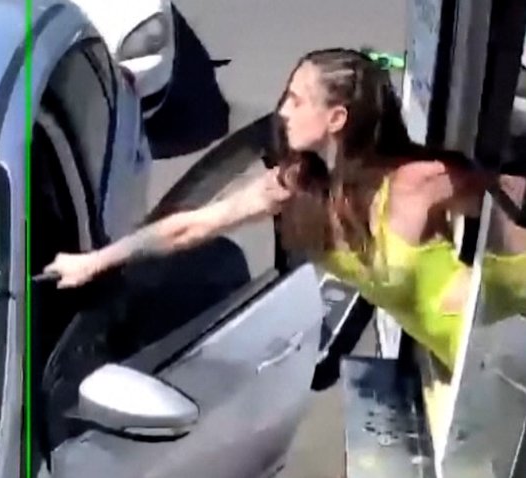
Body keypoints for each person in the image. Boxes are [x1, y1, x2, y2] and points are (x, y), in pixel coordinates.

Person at [42, 47, 491, 371]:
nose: (282, 111)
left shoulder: (417, 182)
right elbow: (194, 226)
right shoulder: (299, 185)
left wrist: (489, 284)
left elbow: (509, 196)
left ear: (336, 119)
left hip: (501, 342)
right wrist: (94, 261)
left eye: (297, 100)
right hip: (461, 367)